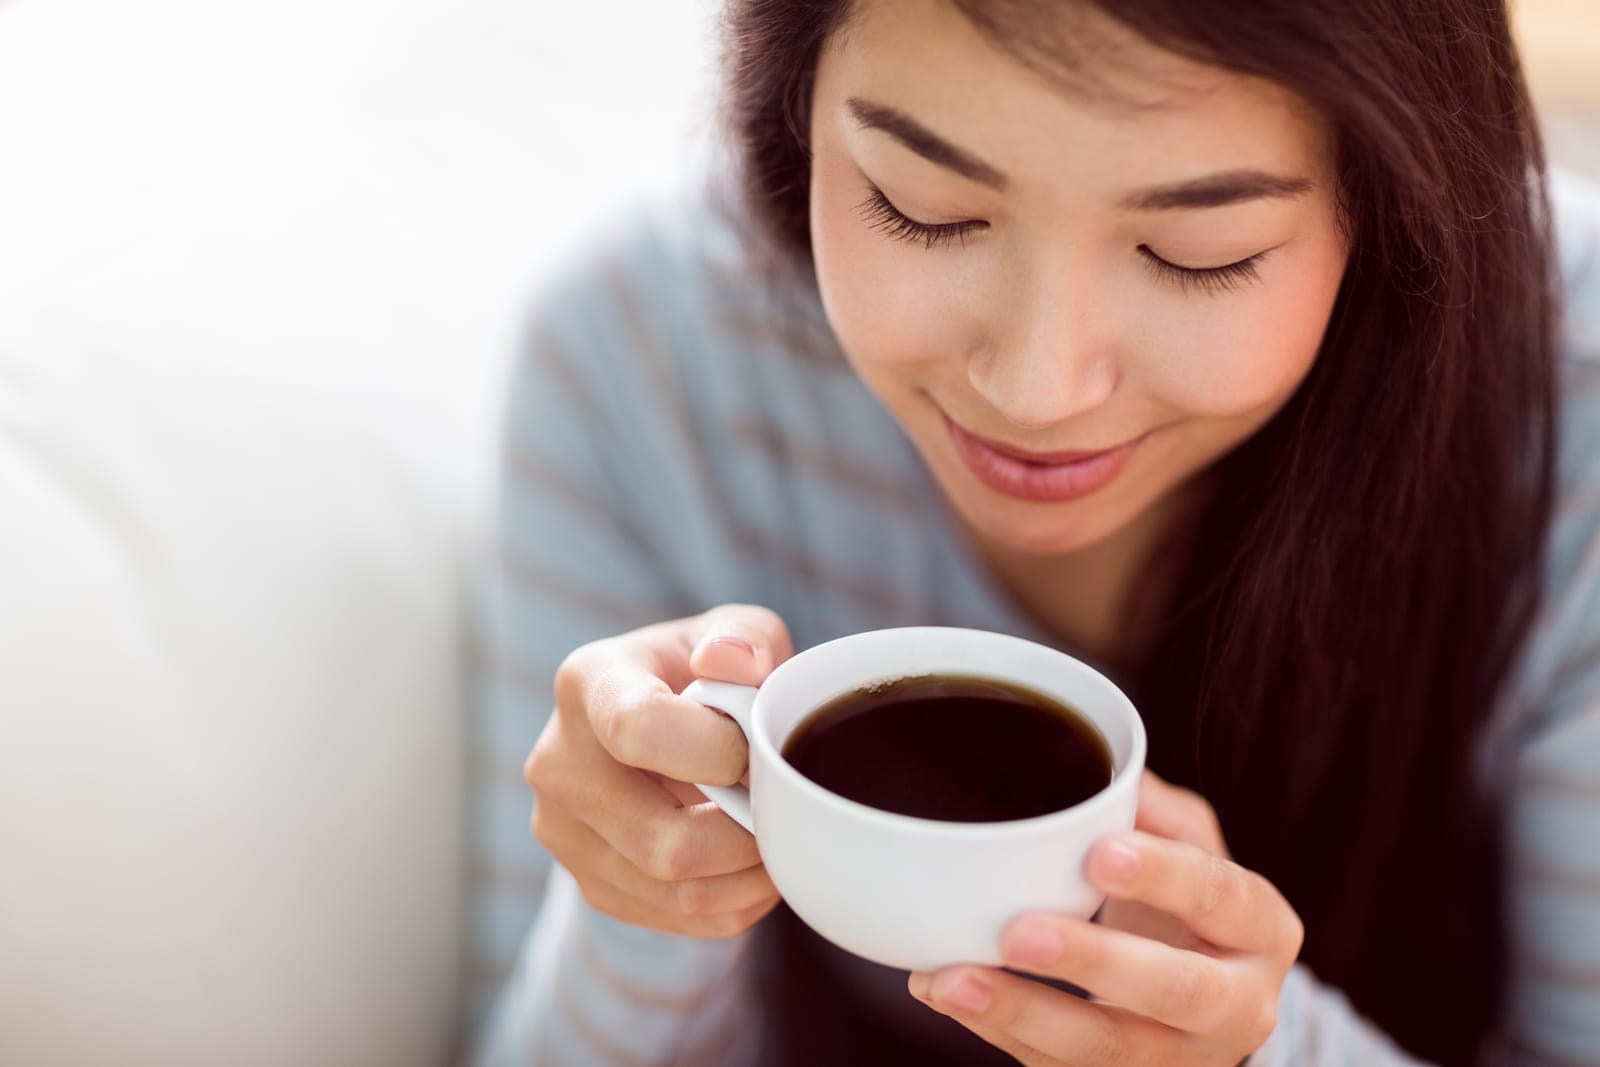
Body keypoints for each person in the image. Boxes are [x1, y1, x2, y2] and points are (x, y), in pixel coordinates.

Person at [467, 0, 1600, 1063]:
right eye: (925, 207)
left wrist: (1265, 1046)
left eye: (1197, 251)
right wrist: (641, 889)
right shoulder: (641, 360)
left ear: (1390, 207)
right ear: (792, 108)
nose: (1038, 386)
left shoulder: (1574, 424)